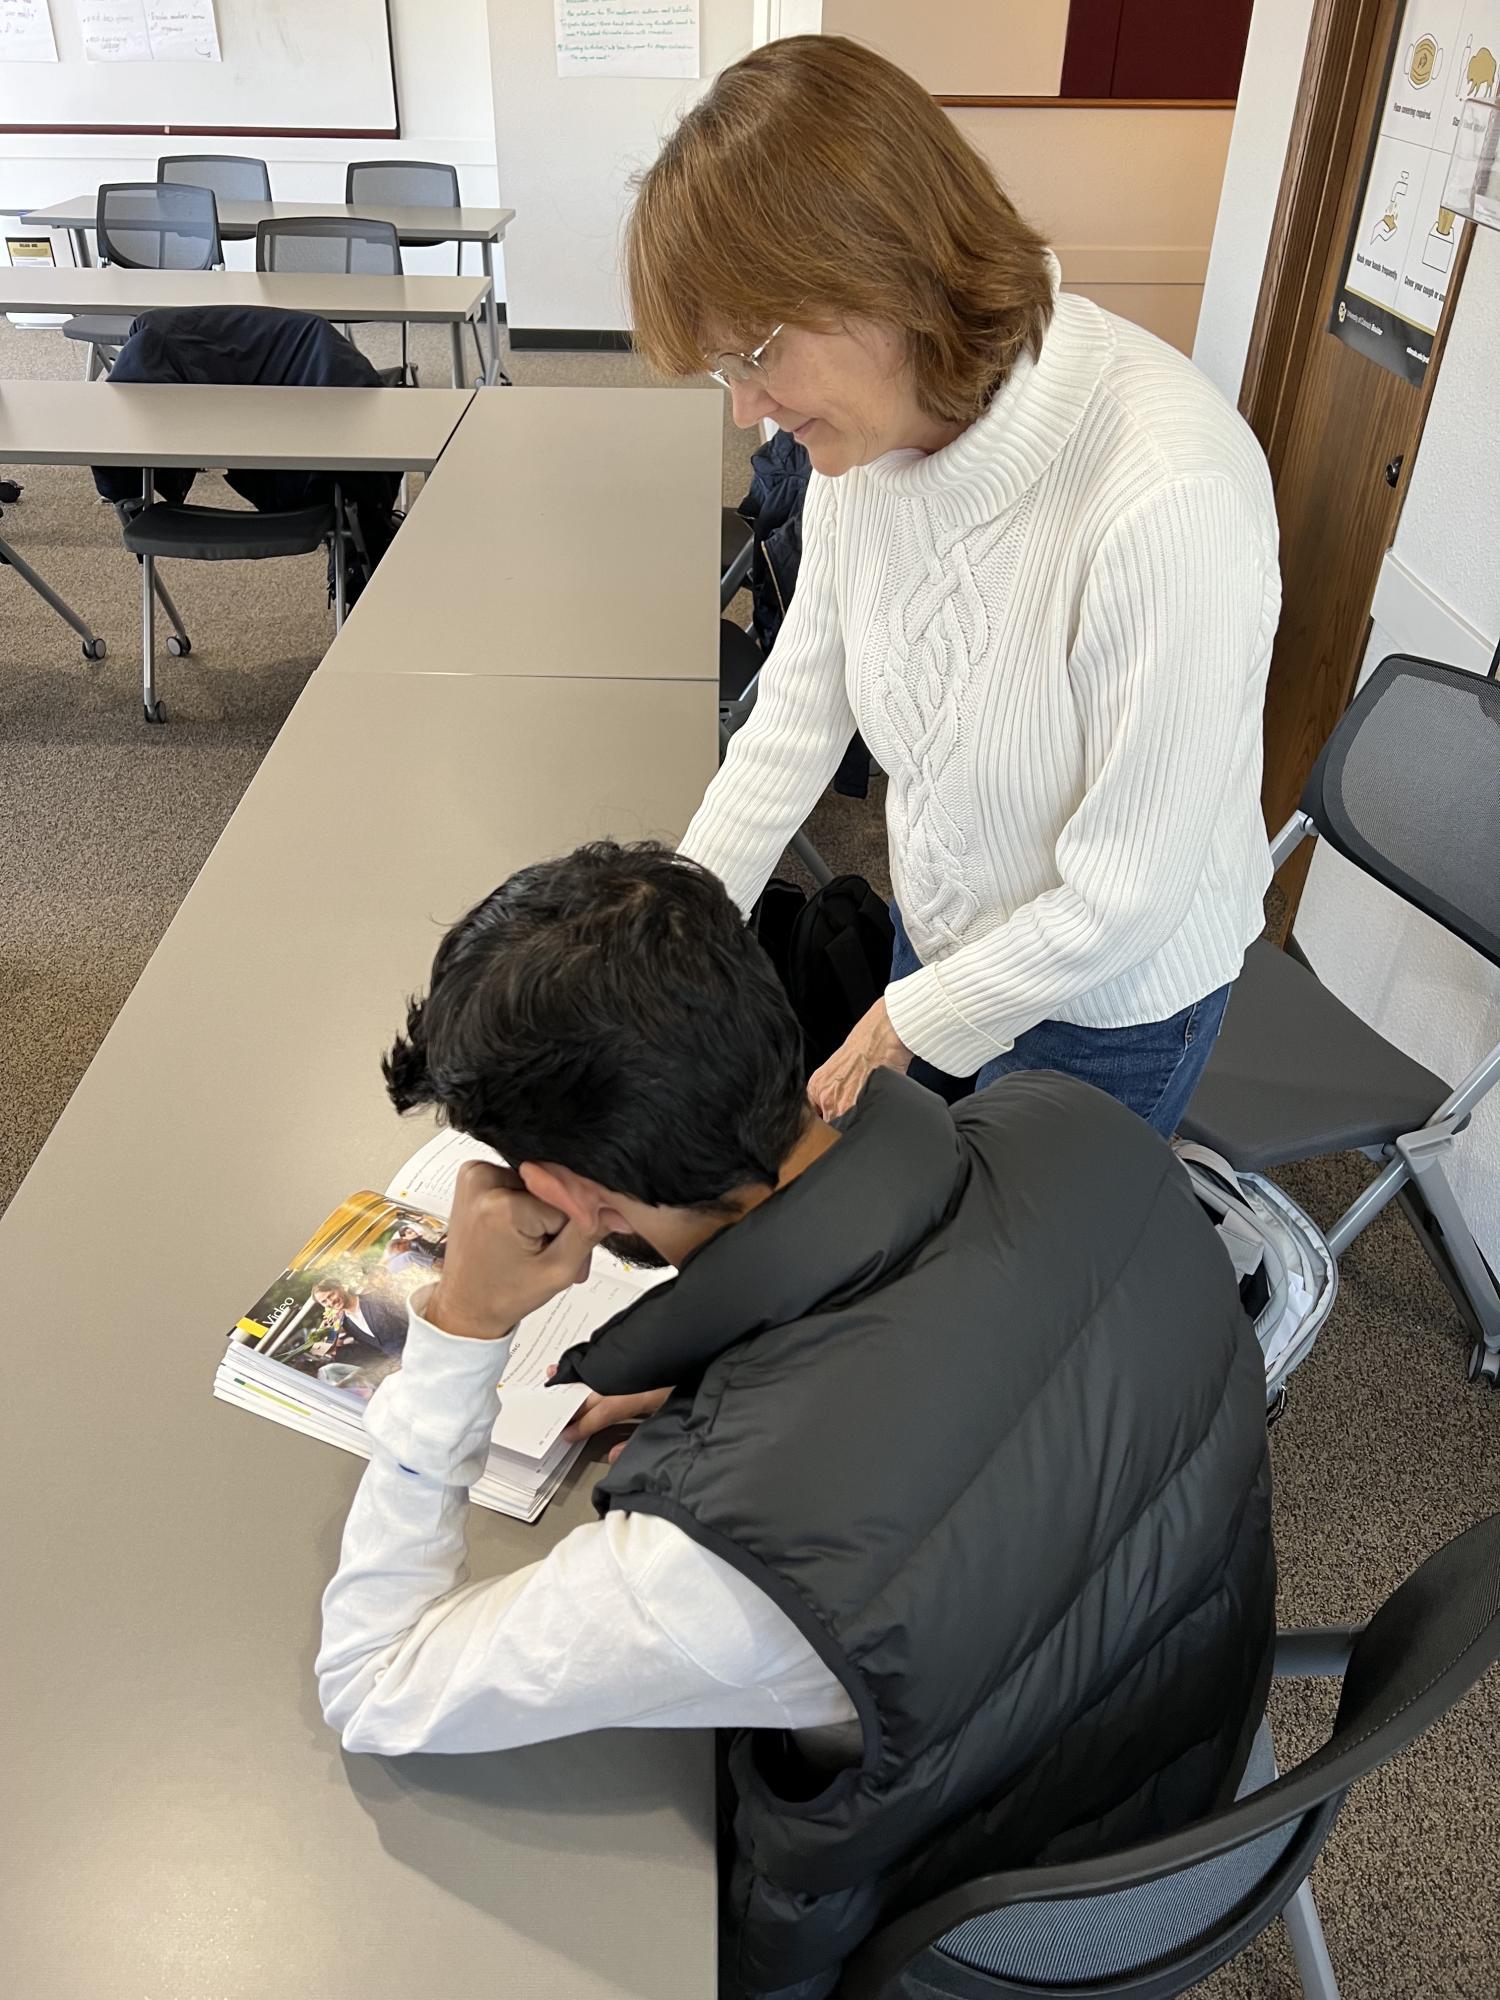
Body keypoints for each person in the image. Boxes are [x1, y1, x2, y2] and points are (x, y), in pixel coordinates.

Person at [316, 842, 1274, 2000]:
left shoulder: (725, 1567)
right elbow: (971, 1371)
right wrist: (735, 1367)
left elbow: (373, 1680)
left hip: (991, 1879)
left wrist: (465, 1328)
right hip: (1180, 1723)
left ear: (563, 1191)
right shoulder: (1076, 1125)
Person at [625, 36, 1282, 1135]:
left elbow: (1126, 893)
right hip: (938, 935)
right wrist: (677, 932)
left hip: (1110, 1000)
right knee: (909, 1224)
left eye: (757, 356)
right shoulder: (870, 440)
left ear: (883, 274)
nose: (745, 410)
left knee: (1023, 1291)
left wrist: (906, 1020)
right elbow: (796, 714)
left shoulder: (1167, 492)